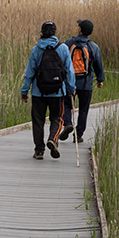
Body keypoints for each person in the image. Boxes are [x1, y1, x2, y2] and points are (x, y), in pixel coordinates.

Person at [20, 21, 76, 159]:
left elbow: (29, 72)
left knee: (38, 120)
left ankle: (39, 151)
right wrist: (71, 90)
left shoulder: (36, 49)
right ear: (55, 33)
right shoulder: (63, 48)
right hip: (58, 92)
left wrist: (24, 90)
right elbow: (69, 71)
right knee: (56, 118)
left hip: (38, 92)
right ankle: (53, 139)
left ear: (41, 33)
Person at [61, 19, 105, 143]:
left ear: (80, 30)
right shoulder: (93, 47)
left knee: (67, 105)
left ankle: (68, 123)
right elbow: (98, 65)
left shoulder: (69, 43)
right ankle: (78, 135)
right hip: (86, 84)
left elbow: (63, 60)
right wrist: (100, 80)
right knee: (83, 109)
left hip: (70, 82)